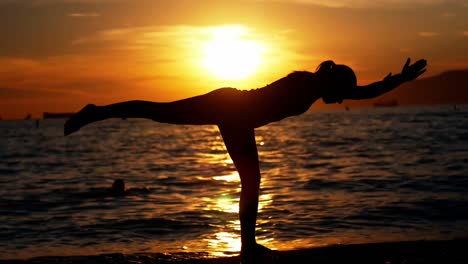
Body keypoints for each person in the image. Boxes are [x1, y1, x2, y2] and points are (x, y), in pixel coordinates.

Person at [64, 58, 427, 259]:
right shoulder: (307, 84)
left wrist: (398, 80)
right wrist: (393, 81)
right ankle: (97, 111)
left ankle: (248, 245)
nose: (346, 98)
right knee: (158, 111)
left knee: (251, 180)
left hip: (237, 116)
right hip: (230, 106)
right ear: (335, 83)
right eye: (344, 91)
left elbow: (362, 92)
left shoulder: (316, 88)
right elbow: (361, 92)